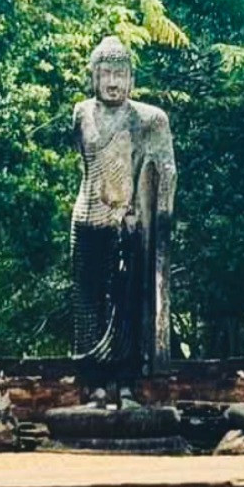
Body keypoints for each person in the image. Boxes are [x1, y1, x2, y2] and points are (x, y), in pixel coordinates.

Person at [70, 36, 176, 404]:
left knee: (128, 303)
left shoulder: (147, 119)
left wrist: (153, 219)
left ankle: (127, 380)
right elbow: (85, 164)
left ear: (131, 78)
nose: (113, 82)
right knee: (88, 302)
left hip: (128, 223)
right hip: (87, 218)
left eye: (121, 74)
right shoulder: (81, 113)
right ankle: (93, 381)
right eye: (106, 74)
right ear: (94, 76)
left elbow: (165, 172)